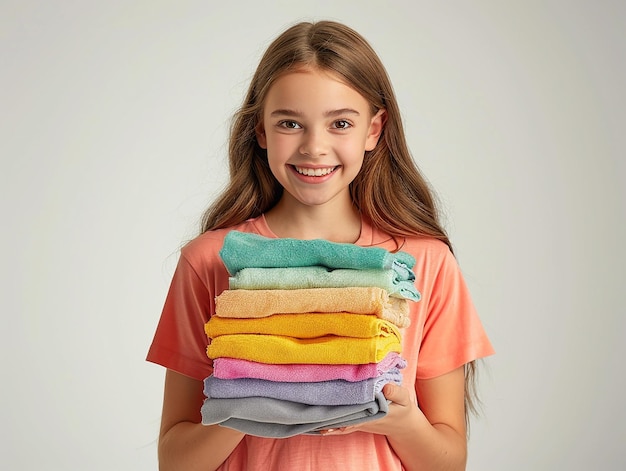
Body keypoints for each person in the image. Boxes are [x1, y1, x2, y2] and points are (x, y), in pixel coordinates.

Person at [147, 20, 494, 471]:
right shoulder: (211, 261)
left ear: (373, 130)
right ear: (260, 130)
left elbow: (450, 462)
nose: (315, 147)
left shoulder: (422, 264)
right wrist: (256, 398)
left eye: (340, 123)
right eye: (290, 122)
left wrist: (400, 422)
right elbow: (175, 461)